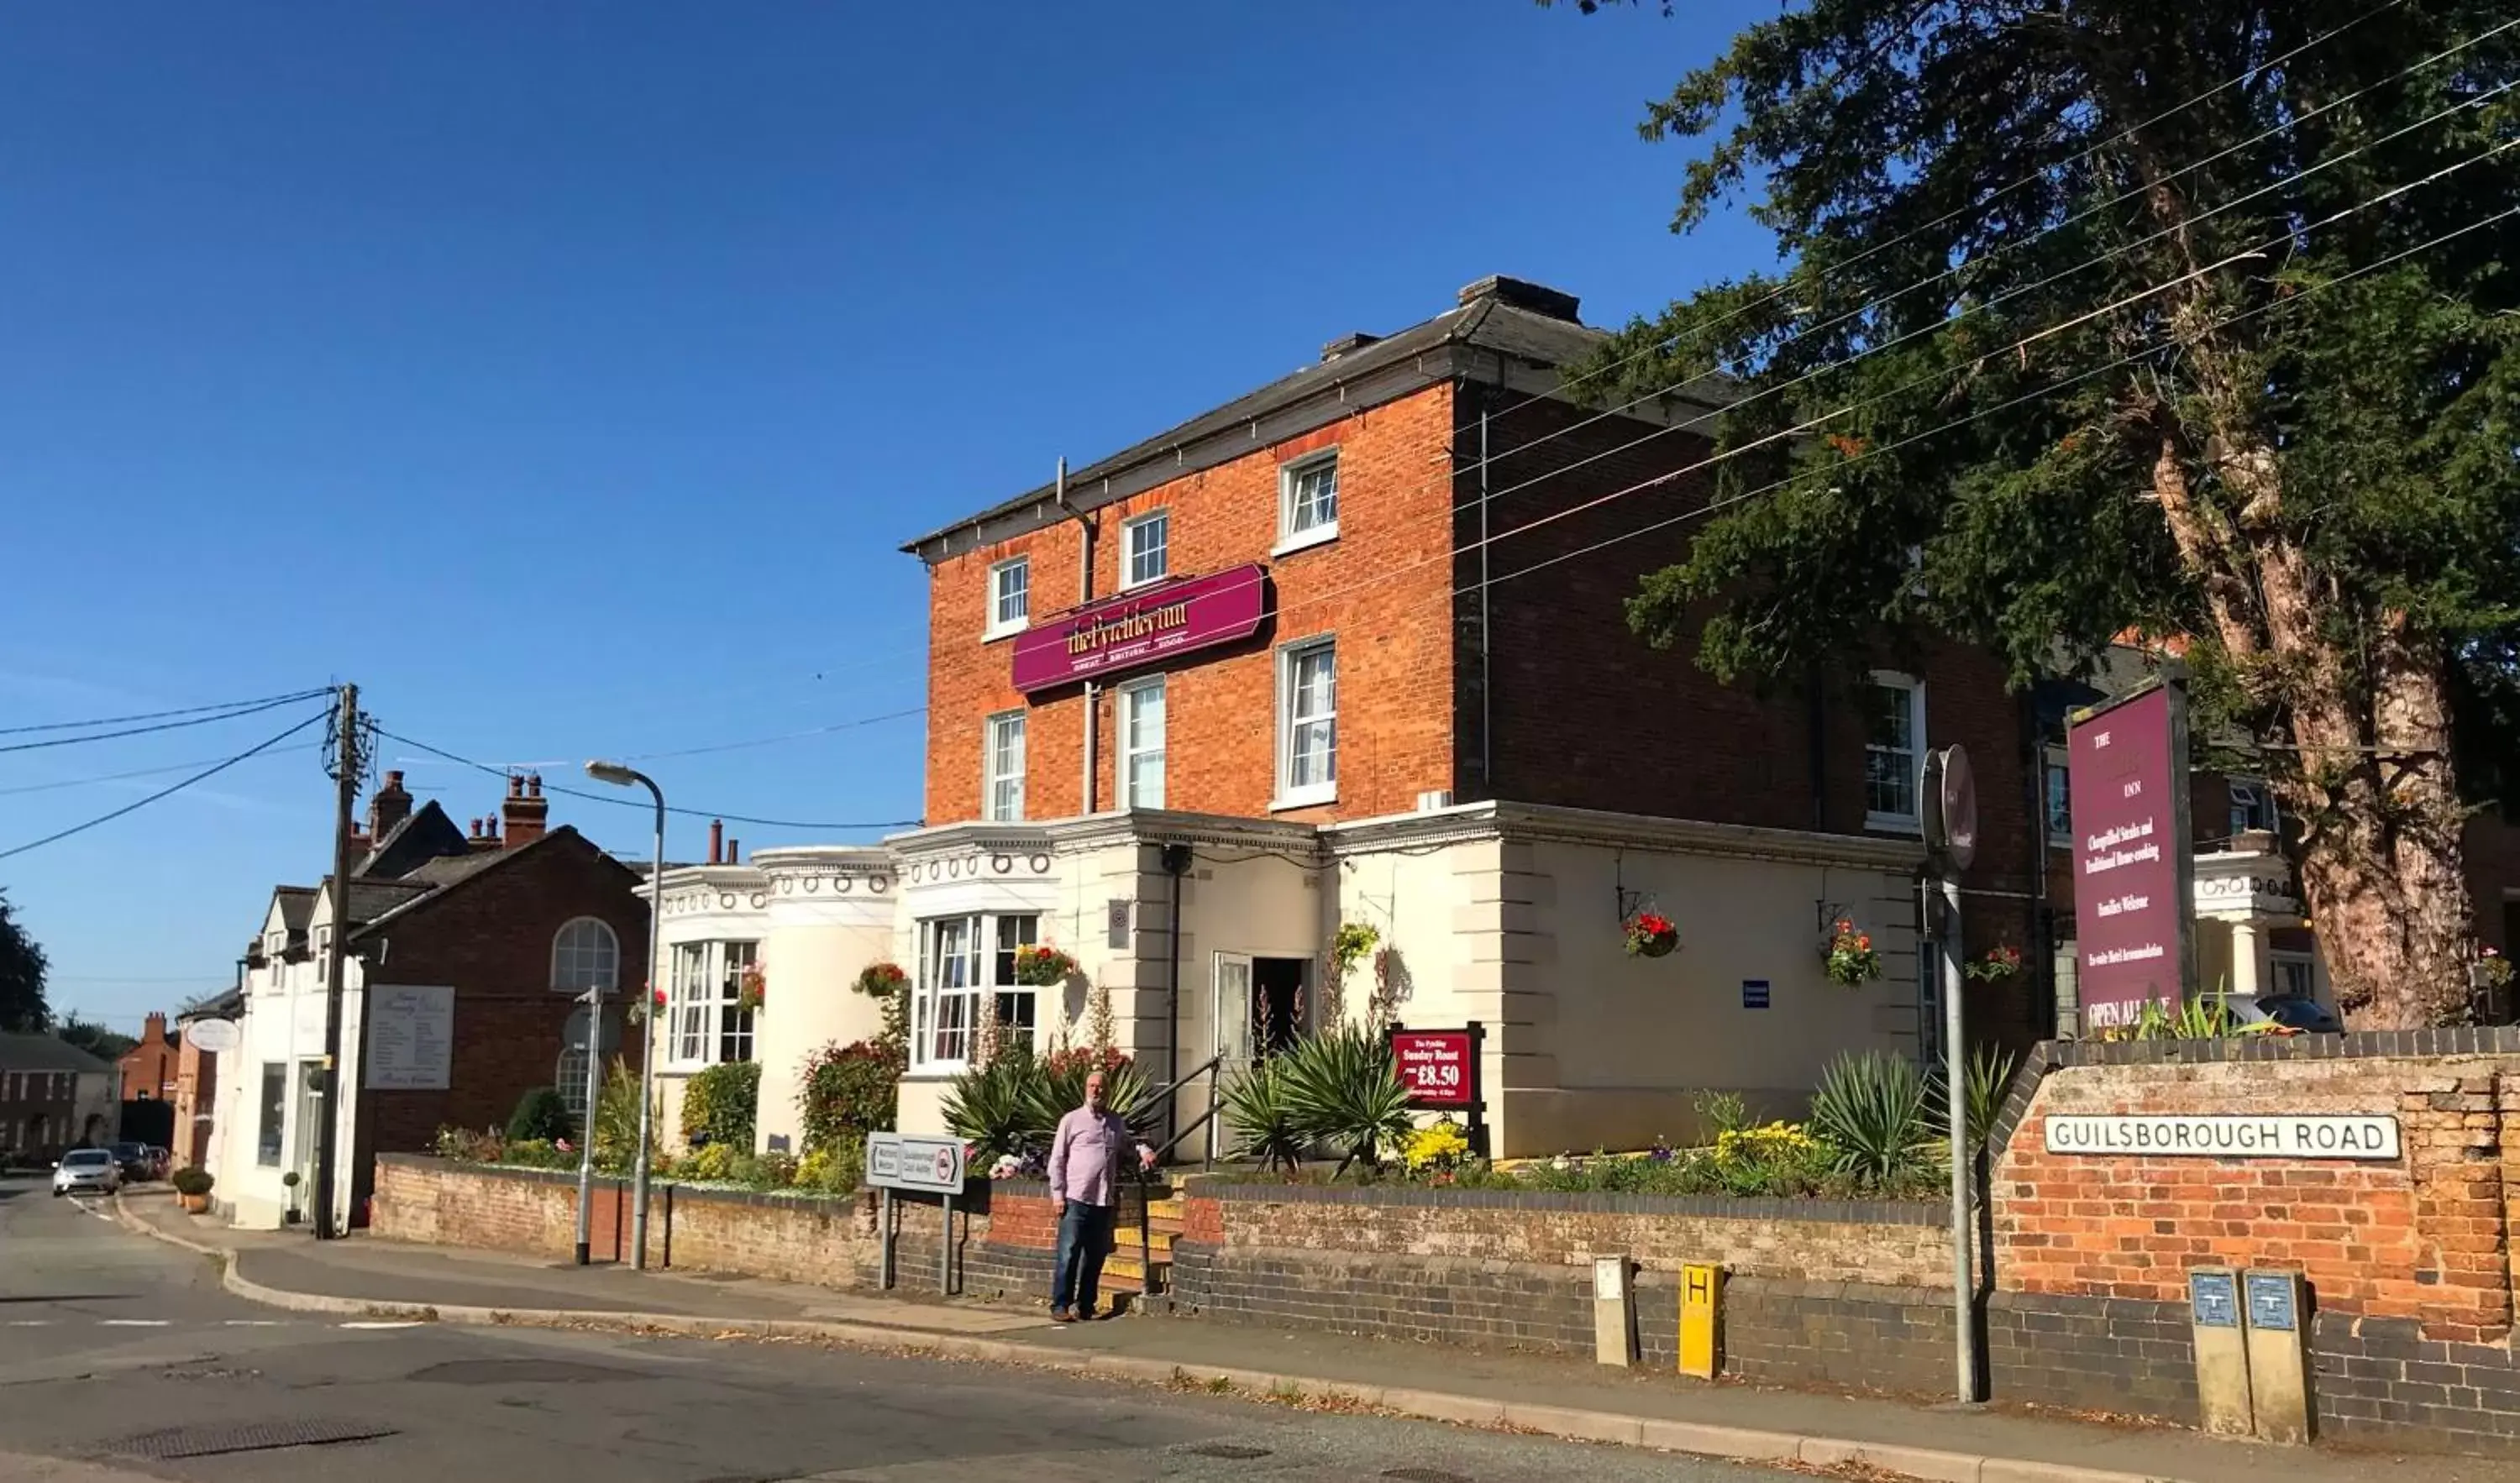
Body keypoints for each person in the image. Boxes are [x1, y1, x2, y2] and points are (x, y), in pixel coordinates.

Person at [1045, 1068, 1154, 1322]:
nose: (1097, 1091)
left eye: (1101, 1087)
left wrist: (1144, 1151)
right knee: (1069, 1253)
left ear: (1108, 1091)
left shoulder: (1115, 1122)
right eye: (1092, 1086)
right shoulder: (1071, 1121)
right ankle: (1060, 1305)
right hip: (1075, 1197)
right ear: (1085, 1089)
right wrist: (1058, 1195)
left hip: (1103, 1199)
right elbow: (1057, 1159)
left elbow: (1128, 1144)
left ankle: (1086, 1305)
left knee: (1095, 1256)